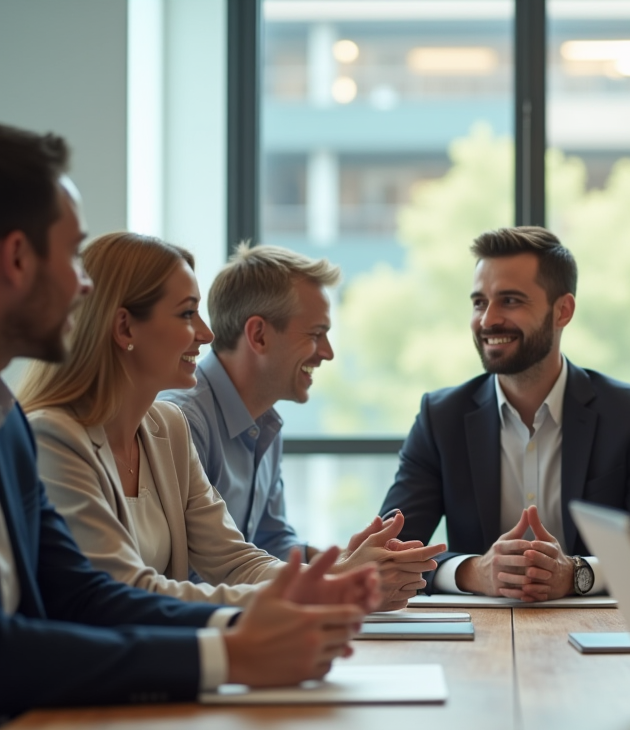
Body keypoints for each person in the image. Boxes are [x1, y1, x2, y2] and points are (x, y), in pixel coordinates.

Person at [0, 121, 377, 730]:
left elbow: (85, 596)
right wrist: (231, 654)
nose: (84, 285)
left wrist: (248, 623)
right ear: (16, 259)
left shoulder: (0, 422)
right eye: (73, 255)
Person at [18, 233, 399, 607]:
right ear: (125, 328)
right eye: (187, 314)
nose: (206, 333)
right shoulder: (52, 437)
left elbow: (234, 560)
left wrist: (336, 579)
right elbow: (126, 591)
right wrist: (320, 590)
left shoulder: (169, 426)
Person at [381, 226, 630, 599]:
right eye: (479, 302)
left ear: (563, 311)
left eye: (510, 301)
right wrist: (473, 572)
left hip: (596, 630)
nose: (487, 320)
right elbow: (386, 553)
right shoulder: (440, 418)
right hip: (478, 630)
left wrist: (577, 573)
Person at [161, 243, 445, 610]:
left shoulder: (264, 422)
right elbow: (195, 575)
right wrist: (339, 577)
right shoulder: (181, 421)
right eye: (315, 334)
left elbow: (271, 542)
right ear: (259, 335)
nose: (327, 352)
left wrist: (348, 561)